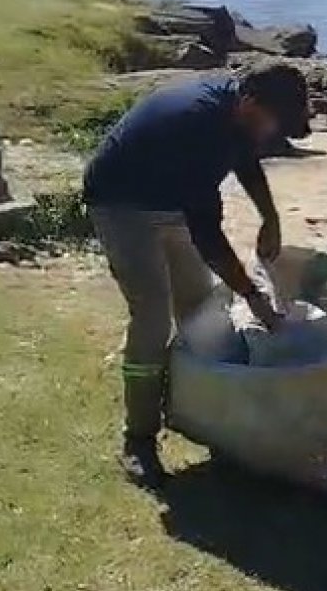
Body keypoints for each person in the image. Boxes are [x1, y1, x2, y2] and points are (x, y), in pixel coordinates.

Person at [84, 63, 309, 488]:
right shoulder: (200, 128)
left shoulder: (238, 113)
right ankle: (139, 439)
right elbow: (208, 235)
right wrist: (251, 294)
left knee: (200, 309)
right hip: (120, 202)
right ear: (250, 103)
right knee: (152, 316)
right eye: (273, 126)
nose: (270, 137)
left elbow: (245, 160)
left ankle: (199, 414)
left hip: (168, 198)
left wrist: (270, 216)